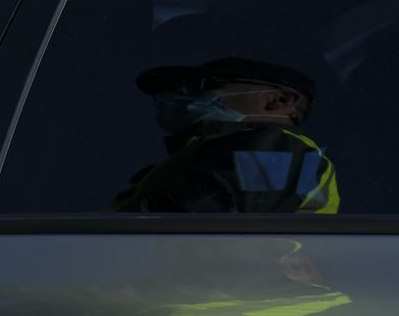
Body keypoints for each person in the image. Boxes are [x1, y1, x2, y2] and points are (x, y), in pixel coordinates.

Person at [111, 56, 340, 214]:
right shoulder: (202, 155)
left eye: (201, 85)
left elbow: (210, 223)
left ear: (280, 100)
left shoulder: (279, 148)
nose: (176, 96)